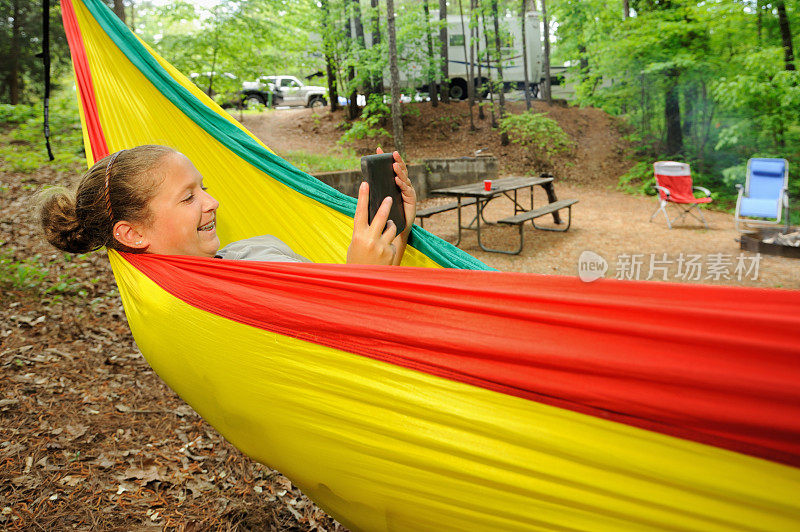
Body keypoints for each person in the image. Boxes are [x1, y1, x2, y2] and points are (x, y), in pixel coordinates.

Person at [39, 145, 416, 265]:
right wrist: (360, 280)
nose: (213, 202)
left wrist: (397, 232)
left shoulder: (242, 256)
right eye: (188, 197)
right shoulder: (209, 311)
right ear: (132, 233)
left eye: (203, 188)